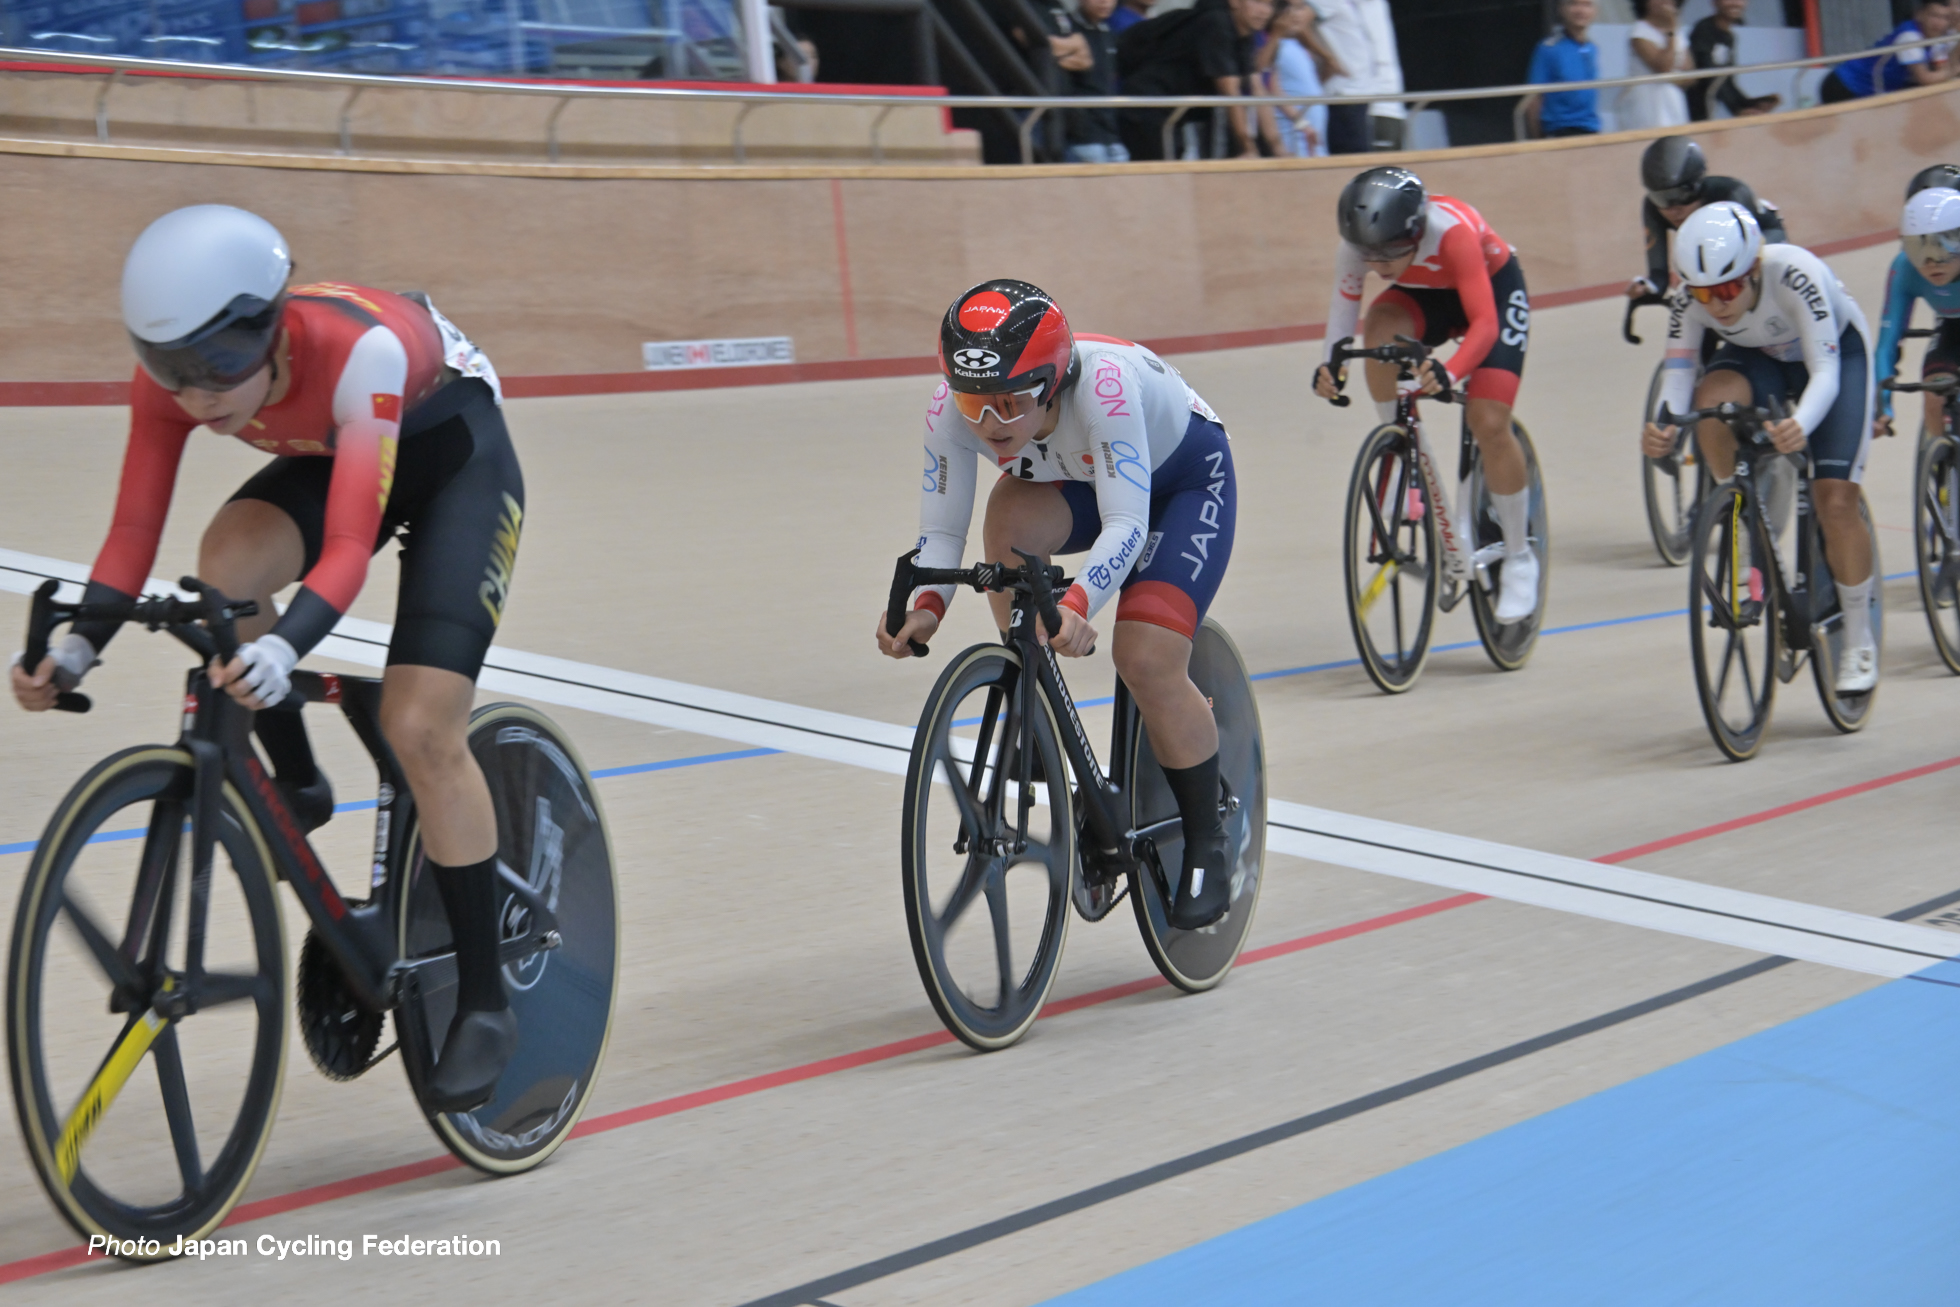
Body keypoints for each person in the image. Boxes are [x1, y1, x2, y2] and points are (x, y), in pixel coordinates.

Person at [10, 205, 524, 1111]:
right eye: (172, 369)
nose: (198, 395)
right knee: (228, 566)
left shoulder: (351, 352)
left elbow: (350, 550)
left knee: (420, 723)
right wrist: (79, 646)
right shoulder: (178, 382)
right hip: (341, 444)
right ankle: (302, 781)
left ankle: (485, 999)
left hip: (452, 452)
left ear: (272, 328)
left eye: (217, 365)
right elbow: (134, 529)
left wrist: (286, 648)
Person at [877, 281, 1241, 930]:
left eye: (1009, 404)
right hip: (1082, 475)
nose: (989, 426)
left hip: (1182, 482)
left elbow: (1126, 525)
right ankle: (1034, 704)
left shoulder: (1103, 388)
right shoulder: (951, 411)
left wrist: (1078, 601)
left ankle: (1209, 841)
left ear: (1051, 383)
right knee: (1006, 520)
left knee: (1146, 657)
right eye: (973, 403)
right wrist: (926, 605)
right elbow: (941, 536)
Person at [1641, 204, 1878, 693]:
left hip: (1835, 355)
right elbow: (1681, 373)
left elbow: (1826, 373)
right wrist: (1663, 427)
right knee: (1711, 404)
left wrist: (1801, 424)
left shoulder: (1795, 274)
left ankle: (1858, 638)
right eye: (1704, 292)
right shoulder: (1694, 302)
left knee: (1835, 499)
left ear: (1753, 269)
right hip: (1759, 356)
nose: (1717, 303)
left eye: (1727, 288)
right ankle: (1742, 520)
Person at [1311, 168, 1541, 622]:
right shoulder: (1358, 244)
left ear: (1415, 230)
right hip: (1425, 297)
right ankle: (1400, 446)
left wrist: (1449, 371)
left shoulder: (1451, 232)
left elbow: (1486, 326)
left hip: (1490, 294)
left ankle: (1518, 556)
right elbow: (1344, 316)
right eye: (1369, 255)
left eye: (1391, 252)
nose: (1378, 265)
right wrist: (1329, 366)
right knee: (1378, 332)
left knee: (1488, 420)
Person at [1629, 136, 1787, 304]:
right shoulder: (1652, 207)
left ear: (1699, 187)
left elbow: (1742, 266)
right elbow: (1659, 277)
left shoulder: (1730, 193)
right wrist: (1646, 287)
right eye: (1661, 198)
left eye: (1681, 195)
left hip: (1766, 238)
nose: (1673, 209)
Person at [1117, 0, 1278, 159]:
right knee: (1161, 176)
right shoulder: (1216, 23)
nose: (1264, 11)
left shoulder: (1244, 33)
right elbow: (1230, 91)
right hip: (1148, 108)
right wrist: (1248, 148)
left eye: (1270, 4)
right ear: (1235, 2)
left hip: (1174, 114)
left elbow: (1258, 89)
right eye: (1258, 2)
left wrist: (1279, 149)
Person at [1874, 187, 1960, 444]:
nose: (1931, 262)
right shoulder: (1904, 269)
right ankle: (1946, 471)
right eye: (1917, 249)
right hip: (1952, 329)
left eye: (1941, 247)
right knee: (1934, 395)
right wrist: (1884, 406)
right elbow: (1886, 345)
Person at [1821, 0, 1954, 104]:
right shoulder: (1909, 36)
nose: (1939, 23)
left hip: (1870, 90)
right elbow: (1926, 78)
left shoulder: (1934, 38)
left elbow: (1941, 71)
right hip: (1844, 86)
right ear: (1919, 14)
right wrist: (1955, 69)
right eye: (1934, 16)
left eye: (1945, 18)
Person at [1049, 0, 1130, 162]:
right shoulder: (1066, 29)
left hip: (1111, 136)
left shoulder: (1108, 33)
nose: (1105, 2)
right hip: (1082, 137)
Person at [1686, 0, 1779, 121]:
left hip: (1709, 111)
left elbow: (1727, 80)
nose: (1735, 3)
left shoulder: (1729, 37)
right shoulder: (1703, 30)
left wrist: (1752, 105)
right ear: (1715, 2)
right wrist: (1737, 109)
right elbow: (1710, 76)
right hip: (1695, 114)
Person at [1523, 0, 1602, 139]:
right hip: (1560, 131)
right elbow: (1533, 99)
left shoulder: (1593, 48)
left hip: (1591, 130)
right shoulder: (1548, 48)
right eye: (1574, 4)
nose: (1580, 11)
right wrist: (1537, 143)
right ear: (1561, 9)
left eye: (1587, 5)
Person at [1266, 0, 1330, 156]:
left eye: (1299, 9)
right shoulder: (1272, 46)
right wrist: (1301, 122)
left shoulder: (1297, 45)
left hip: (1315, 134)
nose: (1294, 15)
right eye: (1288, 10)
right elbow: (1271, 87)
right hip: (1295, 132)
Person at [1620, 0, 1691, 131]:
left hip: (1673, 105)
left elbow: (1690, 74)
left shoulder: (1677, 32)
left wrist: (1673, 30)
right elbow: (1663, 66)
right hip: (1648, 107)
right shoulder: (1639, 32)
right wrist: (1671, 31)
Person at [1306, 0, 1366, 153]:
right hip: (1343, 93)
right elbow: (1297, 23)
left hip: (1353, 92)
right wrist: (1328, 58)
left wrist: (1328, 59)